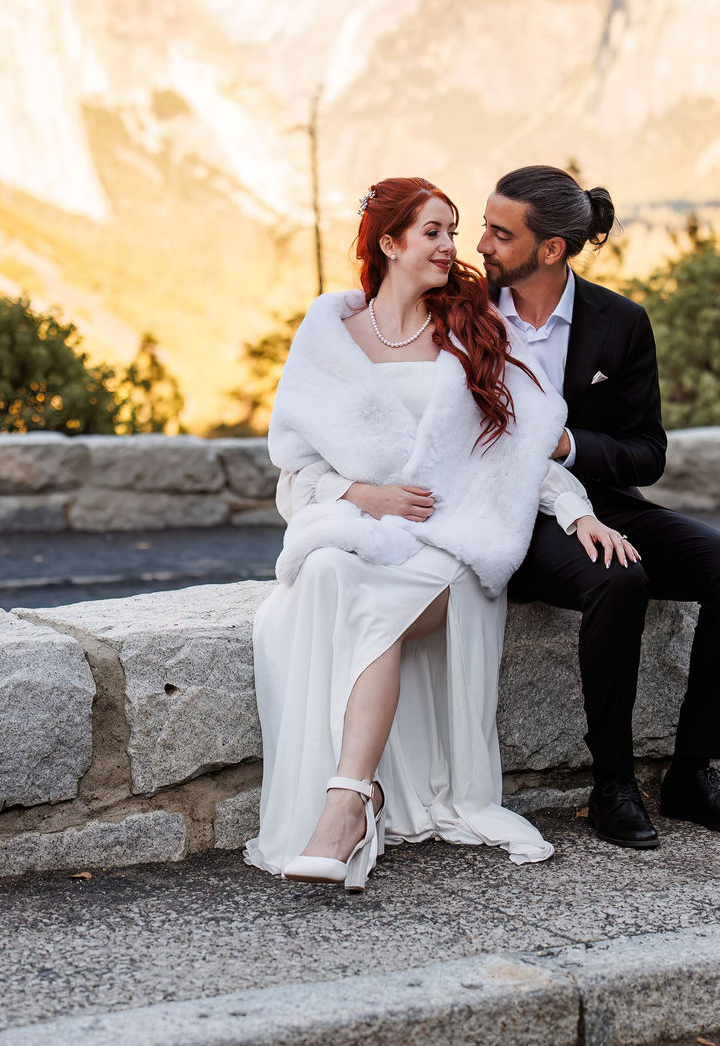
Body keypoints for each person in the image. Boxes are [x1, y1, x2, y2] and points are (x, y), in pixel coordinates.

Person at [245, 175, 639, 890]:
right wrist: (364, 493)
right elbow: (295, 477)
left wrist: (577, 508)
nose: (452, 248)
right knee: (329, 571)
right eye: (434, 231)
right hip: (368, 533)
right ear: (389, 242)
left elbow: (518, 446)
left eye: (453, 232)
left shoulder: (466, 330)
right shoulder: (329, 337)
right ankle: (353, 795)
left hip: (454, 546)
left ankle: (345, 808)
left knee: (362, 599)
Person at [478, 165, 720, 850]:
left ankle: (692, 772)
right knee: (619, 579)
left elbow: (647, 452)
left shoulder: (622, 323)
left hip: (605, 500)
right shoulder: (469, 309)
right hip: (508, 511)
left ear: (551, 248)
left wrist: (570, 442)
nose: (483, 244)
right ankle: (612, 784)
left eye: (500, 232)